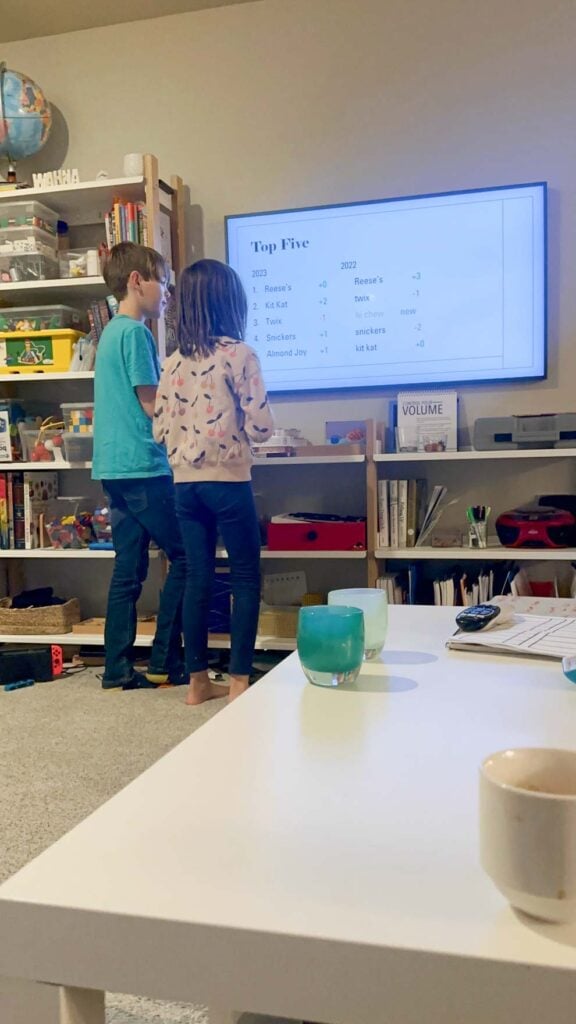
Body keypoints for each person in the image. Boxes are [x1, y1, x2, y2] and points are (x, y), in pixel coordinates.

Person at [153, 259, 274, 704]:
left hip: (185, 486)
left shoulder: (172, 363)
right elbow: (261, 425)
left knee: (197, 577)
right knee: (244, 576)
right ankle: (239, 681)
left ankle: (198, 683)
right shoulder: (239, 354)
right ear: (230, 303)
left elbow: (158, 429)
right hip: (228, 482)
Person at [92, 242, 187, 690]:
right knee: (187, 556)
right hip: (143, 466)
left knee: (127, 571)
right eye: (162, 283)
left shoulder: (109, 333)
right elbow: (153, 407)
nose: (165, 293)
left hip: (113, 467)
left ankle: (116, 668)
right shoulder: (135, 334)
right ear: (137, 282)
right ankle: (165, 661)